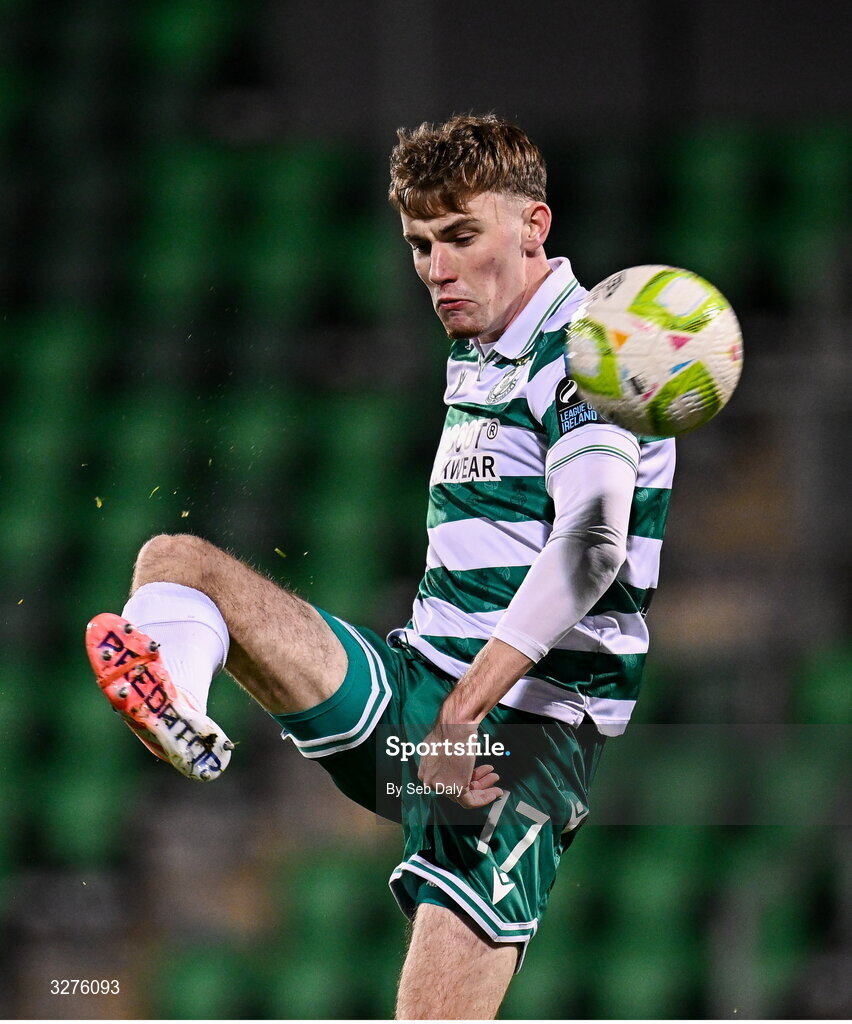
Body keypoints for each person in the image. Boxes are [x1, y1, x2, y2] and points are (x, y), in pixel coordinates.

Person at [86, 113, 675, 1020]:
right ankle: (183, 716)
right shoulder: (482, 345)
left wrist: (465, 708)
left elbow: (591, 550)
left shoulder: (587, 351)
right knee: (176, 563)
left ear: (534, 225)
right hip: (418, 695)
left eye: (460, 237)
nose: (437, 269)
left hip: (513, 740)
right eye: (419, 244)